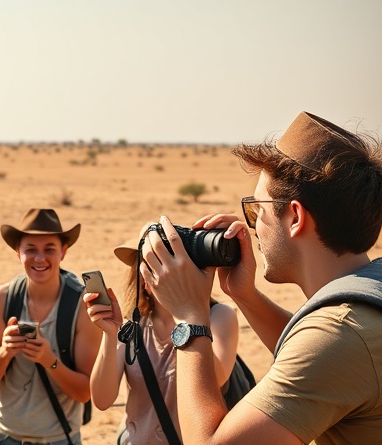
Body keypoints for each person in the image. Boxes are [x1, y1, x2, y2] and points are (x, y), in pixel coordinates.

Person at [140, 111, 382, 444]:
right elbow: (316, 355)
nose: (253, 227)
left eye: (257, 211)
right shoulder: (369, 295)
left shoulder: (341, 333)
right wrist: (244, 294)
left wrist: (190, 318)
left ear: (295, 216)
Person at [85, 225, 239, 444]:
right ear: (142, 278)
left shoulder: (219, 316)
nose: (163, 271)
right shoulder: (131, 325)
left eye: (167, 261)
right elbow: (101, 400)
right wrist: (110, 335)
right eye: (151, 264)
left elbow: (218, 378)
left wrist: (187, 314)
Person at [0, 208, 101, 445]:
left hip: (57, 438)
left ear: (63, 252)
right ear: (18, 252)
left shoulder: (82, 305)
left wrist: (49, 360)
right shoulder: (0, 298)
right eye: (31, 249)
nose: (39, 258)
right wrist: (5, 351)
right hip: (1, 435)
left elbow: (85, 393)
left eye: (49, 249)